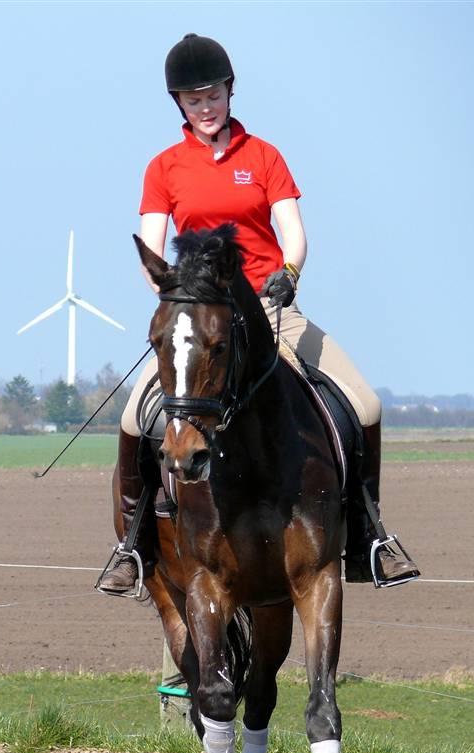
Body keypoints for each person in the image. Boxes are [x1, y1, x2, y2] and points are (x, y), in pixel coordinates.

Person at [100, 33, 419, 593]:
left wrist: (288, 274)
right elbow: (152, 252)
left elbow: (293, 234)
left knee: (365, 404)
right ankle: (131, 547)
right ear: (179, 104)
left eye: (213, 95)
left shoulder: (265, 156)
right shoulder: (163, 168)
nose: (205, 107)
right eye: (193, 99)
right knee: (133, 420)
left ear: (230, 92)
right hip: (201, 321)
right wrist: (176, 299)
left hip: (271, 308)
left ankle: (368, 536)